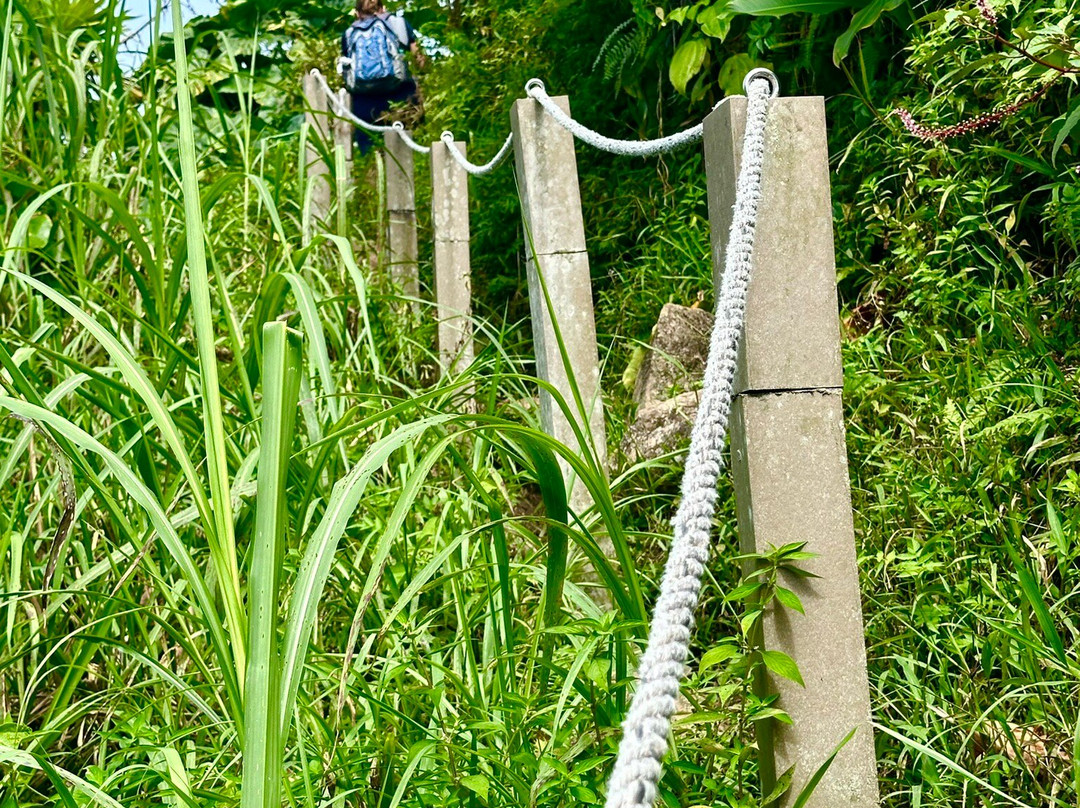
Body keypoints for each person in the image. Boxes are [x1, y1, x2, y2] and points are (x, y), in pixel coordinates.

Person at [340, 0, 426, 155]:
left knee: (370, 153)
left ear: (357, 13)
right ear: (383, 8)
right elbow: (419, 59)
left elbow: (348, 69)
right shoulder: (398, 24)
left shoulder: (349, 33)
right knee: (408, 149)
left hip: (364, 101)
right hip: (401, 95)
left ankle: (372, 167)